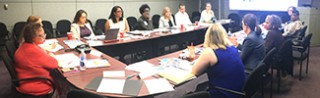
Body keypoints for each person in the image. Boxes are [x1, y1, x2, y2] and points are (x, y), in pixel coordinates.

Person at [192, 24, 245, 98]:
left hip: (223, 93)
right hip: (238, 90)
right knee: (200, 86)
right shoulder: (233, 48)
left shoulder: (209, 52)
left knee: (198, 90)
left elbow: (195, 72)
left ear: (208, 37)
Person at [14, 23, 58, 96]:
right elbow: (54, 64)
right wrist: (50, 55)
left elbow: (41, 54)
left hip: (26, 81)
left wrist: (46, 53)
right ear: (33, 38)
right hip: (37, 86)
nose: (44, 37)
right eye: (42, 35)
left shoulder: (25, 45)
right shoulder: (33, 51)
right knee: (62, 84)